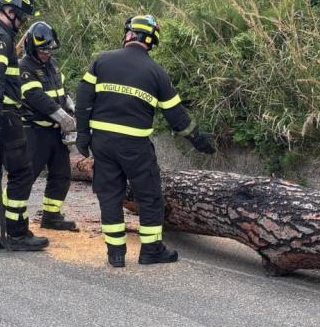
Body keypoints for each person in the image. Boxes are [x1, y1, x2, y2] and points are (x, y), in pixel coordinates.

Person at [75, 14, 216, 268]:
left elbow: (84, 99)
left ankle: (115, 254)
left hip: (103, 144)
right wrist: (198, 140)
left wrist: (83, 135)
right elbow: (177, 117)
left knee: (110, 195)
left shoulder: (102, 61)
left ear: (129, 34)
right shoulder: (156, 73)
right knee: (149, 196)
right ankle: (151, 250)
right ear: (151, 42)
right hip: (135, 147)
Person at [0, 0, 49, 252]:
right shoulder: (2, 39)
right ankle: (16, 232)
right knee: (20, 171)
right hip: (2, 115)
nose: (24, 21)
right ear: (9, 11)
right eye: (22, 16)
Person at [18, 21, 79, 231]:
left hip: (55, 133)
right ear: (31, 47)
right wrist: (63, 117)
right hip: (35, 132)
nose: (47, 53)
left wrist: (72, 108)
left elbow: (62, 92)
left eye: (50, 49)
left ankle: (51, 217)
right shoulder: (25, 67)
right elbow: (36, 97)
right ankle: (13, 219)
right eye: (43, 50)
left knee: (61, 175)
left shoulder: (52, 65)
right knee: (26, 176)